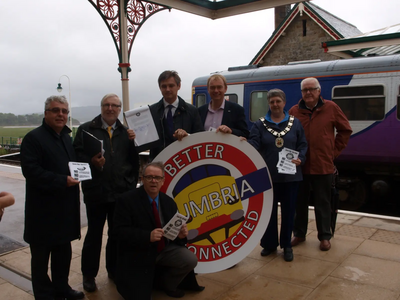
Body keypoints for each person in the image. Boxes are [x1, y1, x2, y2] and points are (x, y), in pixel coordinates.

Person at [73, 93, 140, 292]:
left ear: (119, 109)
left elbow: (134, 163)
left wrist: (130, 186)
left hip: (121, 193)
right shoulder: (86, 130)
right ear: (101, 107)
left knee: (116, 235)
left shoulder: (127, 132)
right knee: (94, 235)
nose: (110, 108)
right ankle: (89, 275)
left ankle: (114, 270)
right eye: (106, 105)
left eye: (114, 105)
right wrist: (91, 162)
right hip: (96, 192)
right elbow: (75, 157)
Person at [20, 95, 83, 300]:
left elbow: (72, 165)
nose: (61, 114)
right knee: (40, 260)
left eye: (64, 111)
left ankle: (62, 288)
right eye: (56, 110)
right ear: (46, 113)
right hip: (42, 212)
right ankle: (44, 295)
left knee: (62, 256)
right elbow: (31, 171)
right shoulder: (33, 138)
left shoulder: (66, 137)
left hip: (64, 210)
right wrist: (62, 181)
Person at [114, 162, 202, 299]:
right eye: (149, 177)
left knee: (190, 259)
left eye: (158, 178)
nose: (153, 181)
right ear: (142, 179)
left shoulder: (169, 202)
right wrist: (147, 236)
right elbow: (118, 232)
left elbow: (173, 234)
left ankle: (167, 284)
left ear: (163, 181)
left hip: (164, 249)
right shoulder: (126, 200)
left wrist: (181, 235)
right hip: (138, 251)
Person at [289, 77, 352, 251]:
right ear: (301, 93)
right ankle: (299, 233)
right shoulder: (294, 111)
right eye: (305, 90)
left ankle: (325, 236)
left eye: (312, 89)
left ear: (319, 91)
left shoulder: (331, 108)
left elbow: (345, 130)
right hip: (300, 167)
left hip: (323, 166)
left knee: (323, 202)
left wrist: (333, 152)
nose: (308, 93)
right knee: (299, 202)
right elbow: (287, 135)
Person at [244, 89, 307, 262]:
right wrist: (245, 144)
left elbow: (302, 144)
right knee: (268, 213)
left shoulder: (295, 123)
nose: (275, 104)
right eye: (271, 102)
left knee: (288, 212)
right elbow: (254, 143)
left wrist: (301, 158)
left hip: (290, 177)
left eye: (278, 101)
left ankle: (286, 245)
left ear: (284, 103)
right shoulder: (260, 124)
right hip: (267, 177)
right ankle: (269, 244)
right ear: (269, 104)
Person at [149, 70, 203, 160]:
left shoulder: (192, 111)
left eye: (171, 85)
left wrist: (187, 136)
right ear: (160, 88)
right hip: (158, 163)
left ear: (179, 86)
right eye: (164, 86)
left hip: (184, 163)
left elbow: (200, 137)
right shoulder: (151, 111)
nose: (167, 89)